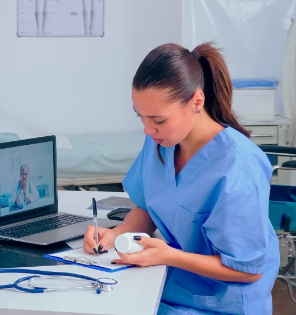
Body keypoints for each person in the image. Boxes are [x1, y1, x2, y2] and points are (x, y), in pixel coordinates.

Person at [83, 42, 279, 315]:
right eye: (140, 117)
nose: (147, 128)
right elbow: (149, 205)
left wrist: (168, 255)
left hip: (224, 302)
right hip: (172, 283)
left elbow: (248, 271)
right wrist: (116, 234)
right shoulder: (160, 142)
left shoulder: (238, 169)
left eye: (158, 120)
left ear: (196, 102)